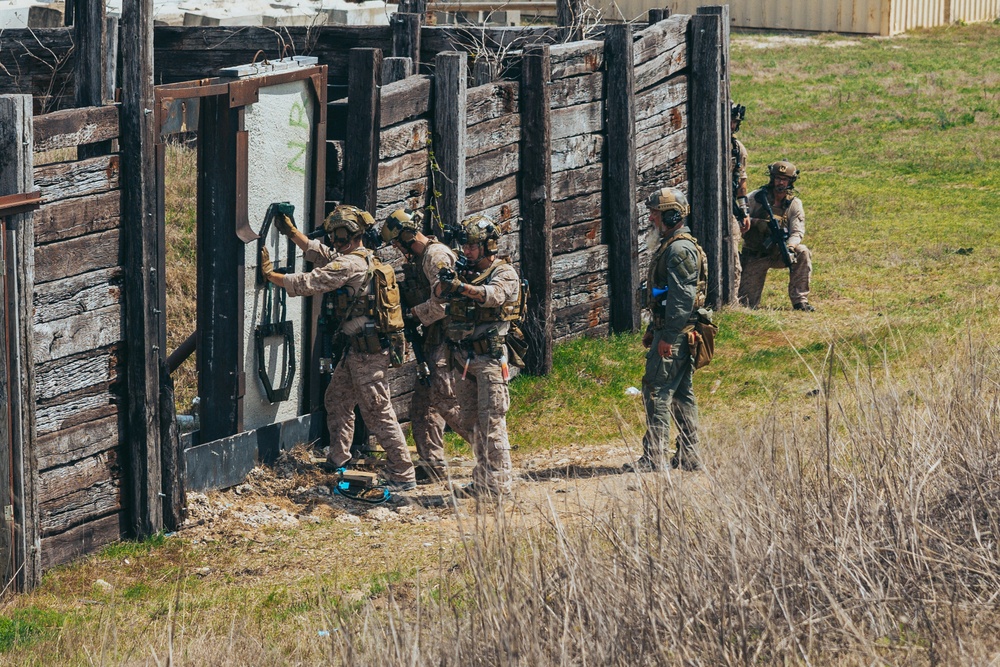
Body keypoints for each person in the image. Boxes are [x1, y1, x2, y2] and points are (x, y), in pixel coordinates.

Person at [260, 204, 416, 490]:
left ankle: (403, 473)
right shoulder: (359, 257)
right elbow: (324, 256)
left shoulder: (349, 264)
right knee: (338, 399)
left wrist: (273, 277)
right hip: (358, 351)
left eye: (337, 235)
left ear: (347, 234)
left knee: (378, 412)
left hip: (368, 354)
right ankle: (338, 458)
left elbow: (312, 280)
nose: (333, 240)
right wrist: (295, 234)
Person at [379, 208, 474, 482]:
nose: (397, 249)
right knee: (423, 407)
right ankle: (432, 466)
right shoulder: (420, 259)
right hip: (433, 338)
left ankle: (490, 452)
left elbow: (445, 304)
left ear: (408, 235)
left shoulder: (436, 257)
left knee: (446, 401)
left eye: (397, 242)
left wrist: (411, 315)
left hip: (449, 339)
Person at [437, 214, 522, 498]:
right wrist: (446, 282)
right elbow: (438, 297)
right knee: (473, 423)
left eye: (473, 245)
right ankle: (482, 479)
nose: (467, 251)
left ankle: (499, 485)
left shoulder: (504, 272)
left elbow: (493, 296)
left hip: (489, 360)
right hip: (463, 360)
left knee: (492, 422)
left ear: (488, 245)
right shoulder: (462, 270)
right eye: (465, 245)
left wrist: (460, 287)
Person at [626, 187, 707, 472]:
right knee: (682, 394)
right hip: (673, 331)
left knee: (657, 391)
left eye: (656, 214)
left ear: (672, 216)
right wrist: (653, 328)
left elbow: (682, 299)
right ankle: (689, 456)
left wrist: (668, 337)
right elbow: (664, 296)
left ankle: (654, 458)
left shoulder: (678, 249)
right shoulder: (674, 246)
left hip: (676, 334)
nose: (651, 218)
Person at [738, 160, 814, 311]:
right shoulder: (756, 198)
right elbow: (739, 219)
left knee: (803, 252)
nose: (780, 182)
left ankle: (800, 300)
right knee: (747, 304)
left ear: (790, 182)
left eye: (784, 179)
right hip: (756, 254)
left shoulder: (794, 204)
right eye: (778, 178)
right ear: (772, 179)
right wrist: (755, 223)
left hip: (779, 252)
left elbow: (797, 231)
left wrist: (791, 247)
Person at [730, 103, 751, 298]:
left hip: (729, 209)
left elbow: (741, 184)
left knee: (733, 256)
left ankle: (732, 300)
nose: (732, 125)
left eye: (735, 122)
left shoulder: (737, 149)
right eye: (730, 120)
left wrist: (744, 212)